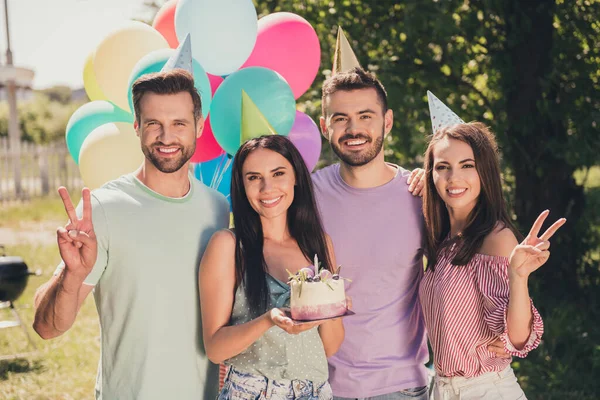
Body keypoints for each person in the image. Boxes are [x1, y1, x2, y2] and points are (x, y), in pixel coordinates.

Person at [32, 68, 230, 399]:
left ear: (198, 126)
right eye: (154, 124)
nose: (166, 137)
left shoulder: (217, 208)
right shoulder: (103, 209)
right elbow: (47, 328)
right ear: (137, 128)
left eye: (179, 124)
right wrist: (71, 275)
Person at [419, 121, 566, 399]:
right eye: (442, 167)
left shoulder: (496, 238)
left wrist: (518, 278)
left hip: (485, 390)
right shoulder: (441, 238)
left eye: (467, 165)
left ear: (484, 171)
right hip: (441, 389)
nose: (454, 178)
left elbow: (516, 337)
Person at [200, 135, 344, 400]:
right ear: (242, 187)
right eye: (253, 177)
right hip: (253, 392)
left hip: (316, 392)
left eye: (278, 173)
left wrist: (332, 309)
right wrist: (269, 319)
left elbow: (329, 347)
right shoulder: (228, 245)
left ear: (296, 177)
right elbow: (215, 349)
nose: (267, 188)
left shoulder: (320, 245)